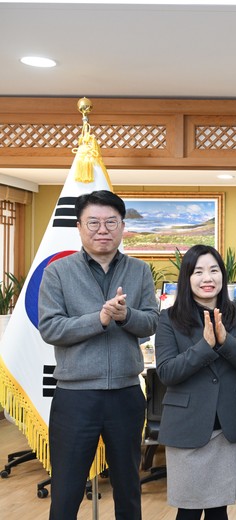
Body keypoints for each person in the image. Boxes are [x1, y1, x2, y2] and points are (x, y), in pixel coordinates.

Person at [38, 190, 159, 520]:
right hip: (75, 398)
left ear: (122, 226)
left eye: (111, 222)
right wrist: (100, 319)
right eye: (93, 222)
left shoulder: (139, 271)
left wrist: (126, 316)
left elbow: (151, 322)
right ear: (79, 226)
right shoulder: (57, 272)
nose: (102, 229)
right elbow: (51, 328)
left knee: (128, 489)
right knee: (66, 490)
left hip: (126, 394)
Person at [155, 244, 236, 520]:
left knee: (218, 511)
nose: (207, 278)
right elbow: (166, 372)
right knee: (188, 512)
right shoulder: (169, 318)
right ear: (187, 277)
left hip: (228, 426)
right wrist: (204, 346)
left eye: (214, 270)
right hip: (187, 428)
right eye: (199, 271)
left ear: (222, 276)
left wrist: (225, 342)